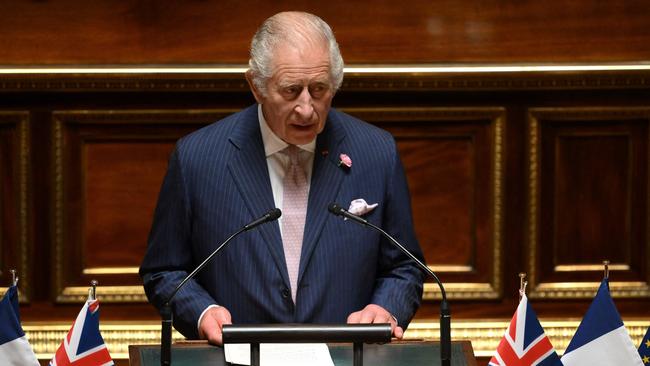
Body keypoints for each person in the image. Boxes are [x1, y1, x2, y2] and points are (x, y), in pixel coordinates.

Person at [140, 11, 425, 345]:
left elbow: (405, 268)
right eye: (291, 91)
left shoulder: (376, 153)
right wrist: (201, 311)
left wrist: (385, 308)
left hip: (346, 356)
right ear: (256, 86)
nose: (307, 109)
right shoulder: (198, 159)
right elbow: (164, 271)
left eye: (319, 89)